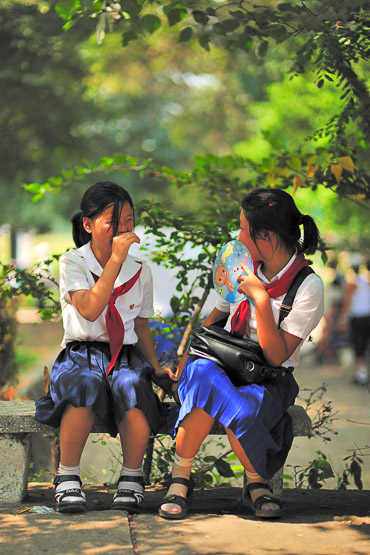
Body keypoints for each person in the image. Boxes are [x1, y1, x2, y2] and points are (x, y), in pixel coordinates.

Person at [159, 188, 324, 520]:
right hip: (219, 367)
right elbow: (216, 317)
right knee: (204, 377)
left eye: (243, 228)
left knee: (229, 400)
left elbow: (276, 357)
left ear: (265, 236)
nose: (237, 236)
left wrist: (261, 300)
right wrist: (187, 356)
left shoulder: (308, 286)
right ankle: (253, 483)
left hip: (267, 378)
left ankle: (184, 481)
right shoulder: (239, 264)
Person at [36, 181, 177, 513]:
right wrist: (114, 260)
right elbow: (89, 308)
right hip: (81, 353)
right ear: (88, 224)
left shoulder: (141, 270)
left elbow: (141, 325)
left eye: (129, 222)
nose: (123, 230)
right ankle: (67, 475)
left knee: (133, 387)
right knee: (85, 385)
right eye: (112, 223)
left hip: (125, 355)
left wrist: (155, 367)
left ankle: (131, 477)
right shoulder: (73, 262)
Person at [339, 263, 370, 385]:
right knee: (365, 345)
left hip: (358, 318)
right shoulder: (367, 283)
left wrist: (342, 319)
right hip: (368, 316)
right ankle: (362, 374)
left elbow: (347, 303)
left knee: (359, 346)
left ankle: (361, 375)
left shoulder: (351, 285)